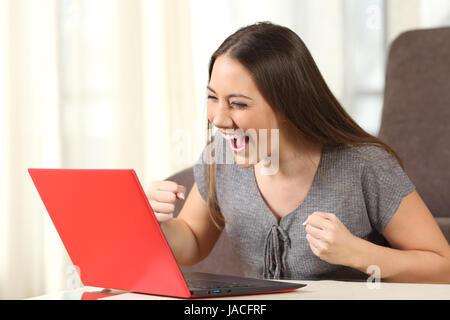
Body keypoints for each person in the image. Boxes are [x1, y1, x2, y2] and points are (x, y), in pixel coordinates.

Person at [146, 22, 450, 283]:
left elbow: (443, 267)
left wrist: (358, 253)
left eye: (238, 104)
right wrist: (159, 226)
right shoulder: (220, 160)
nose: (219, 118)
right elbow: (193, 241)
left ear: (287, 105)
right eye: (213, 98)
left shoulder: (365, 166)